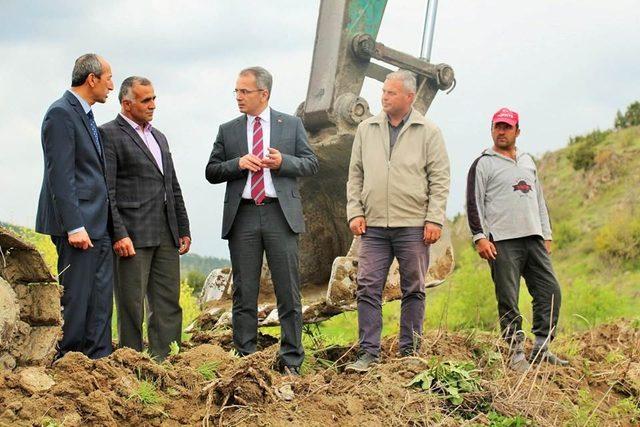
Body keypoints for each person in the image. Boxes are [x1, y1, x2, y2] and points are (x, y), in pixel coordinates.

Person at [205, 66, 318, 375]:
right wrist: (237, 164)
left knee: (288, 290)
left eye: (245, 91)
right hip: (243, 217)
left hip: (280, 215)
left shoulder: (291, 125)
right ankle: (246, 358)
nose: (238, 97)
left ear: (263, 94)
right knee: (244, 291)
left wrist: (284, 162)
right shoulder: (228, 130)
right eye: (236, 91)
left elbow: (310, 164)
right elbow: (212, 171)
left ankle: (291, 360)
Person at [344, 70, 451, 372]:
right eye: (383, 92)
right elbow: (355, 174)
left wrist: (434, 218)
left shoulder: (428, 131)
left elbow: (440, 178)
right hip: (374, 226)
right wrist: (355, 211)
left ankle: (410, 353)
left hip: (414, 225)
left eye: (391, 93)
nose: (384, 97)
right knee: (367, 287)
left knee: (413, 287)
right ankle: (368, 354)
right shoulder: (366, 129)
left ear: (409, 97)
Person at [466, 107, 568, 372]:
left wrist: (546, 233)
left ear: (517, 131)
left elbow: (539, 200)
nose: (501, 131)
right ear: (492, 130)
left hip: (534, 239)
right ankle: (515, 352)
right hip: (502, 241)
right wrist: (479, 237)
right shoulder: (483, 163)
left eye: (507, 127)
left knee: (550, 290)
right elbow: (473, 203)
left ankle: (541, 347)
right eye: (497, 126)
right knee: (508, 297)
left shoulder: (528, 161)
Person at [101, 77, 191, 360]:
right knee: (131, 303)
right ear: (127, 104)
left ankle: (166, 361)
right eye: (145, 100)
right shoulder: (108, 135)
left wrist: (183, 227)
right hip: (132, 234)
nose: (152, 105)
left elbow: (171, 184)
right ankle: (131, 362)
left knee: (167, 301)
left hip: (166, 231)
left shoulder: (159, 136)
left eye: (154, 99)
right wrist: (118, 233)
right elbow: (107, 190)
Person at [35, 53, 115, 359]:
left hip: (99, 223)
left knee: (100, 299)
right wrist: (74, 226)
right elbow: (61, 175)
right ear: (91, 79)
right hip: (78, 226)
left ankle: (99, 360)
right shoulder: (60, 113)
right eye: (108, 78)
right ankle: (69, 364)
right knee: (77, 298)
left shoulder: (88, 116)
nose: (111, 85)